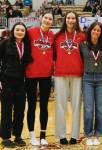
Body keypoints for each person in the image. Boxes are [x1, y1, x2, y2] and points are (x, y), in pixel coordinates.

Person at [54, 11, 85, 145]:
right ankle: (61, 135)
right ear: (65, 20)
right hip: (60, 73)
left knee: (77, 105)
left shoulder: (82, 36)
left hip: (78, 74)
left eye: (73, 18)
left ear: (76, 20)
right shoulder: (58, 36)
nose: (71, 20)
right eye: (68, 18)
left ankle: (74, 135)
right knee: (60, 105)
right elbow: (54, 55)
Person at [0, 22, 32, 148]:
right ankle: (6, 137)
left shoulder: (27, 45)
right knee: (6, 110)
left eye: (22, 30)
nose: (20, 32)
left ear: (25, 33)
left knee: (20, 110)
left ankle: (17, 135)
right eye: (17, 29)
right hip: (6, 81)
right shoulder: (5, 43)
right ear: (13, 30)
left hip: (21, 82)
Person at [25, 12, 54, 146]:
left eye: (50, 19)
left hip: (46, 75)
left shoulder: (52, 36)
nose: (48, 20)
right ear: (40, 19)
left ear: (52, 22)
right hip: (31, 74)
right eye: (46, 18)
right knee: (31, 105)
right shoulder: (31, 32)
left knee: (44, 106)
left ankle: (43, 135)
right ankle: (31, 135)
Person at [80, 21, 102, 146]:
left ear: (101, 33)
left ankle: (98, 134)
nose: (96, 32)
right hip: (87, 79)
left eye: (98, 30)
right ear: (90, 30)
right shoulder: (83, 44)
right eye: (94, 29)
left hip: (101, 78)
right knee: (89, 108)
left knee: (101, 109)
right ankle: (88, 134)